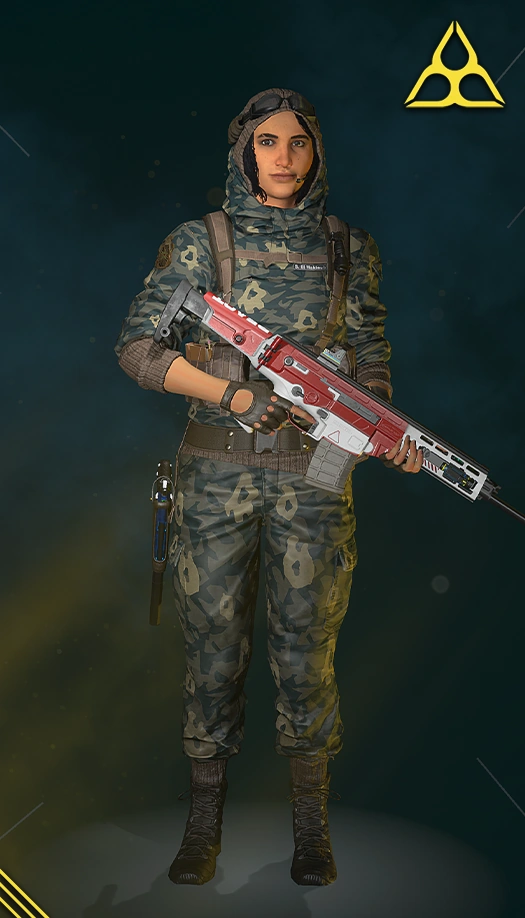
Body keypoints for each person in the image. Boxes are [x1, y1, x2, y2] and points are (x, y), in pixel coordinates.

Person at [114, 87, 423, 888]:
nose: (283, 157)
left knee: (306, 653)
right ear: (243, 152)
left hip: (314, 479)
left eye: (297, 142)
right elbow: (140, 350)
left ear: (316, 152)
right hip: (216, 475)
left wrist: (381, 432)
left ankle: (310, 831)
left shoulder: (347, 247)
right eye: (266, 142)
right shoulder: (201, 241)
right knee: (212, 652)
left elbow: (370, 352)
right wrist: (233, 395)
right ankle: (203, 827)